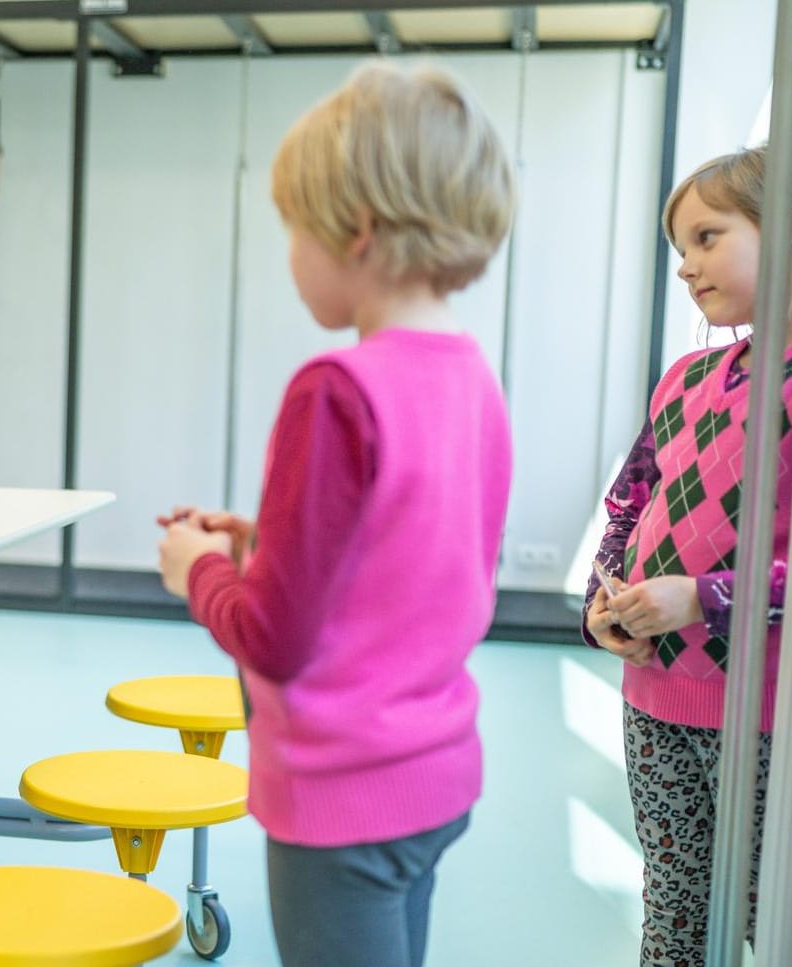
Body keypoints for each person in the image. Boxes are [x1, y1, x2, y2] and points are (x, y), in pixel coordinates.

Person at [156, 62, 515, 967]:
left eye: (292, 227)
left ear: (354, 230)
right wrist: (264, 539)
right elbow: (413, 555)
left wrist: (197, 568)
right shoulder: (471, 375)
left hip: (342, 801)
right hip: (437, 775)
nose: (288, 255)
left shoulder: (335, 391)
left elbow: (272, 636)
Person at [583, 138, 792, 967]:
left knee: (769, 912)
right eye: (679, 246)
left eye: (706, 238)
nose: (686, 266)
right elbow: (629, 506)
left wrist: (705, 597)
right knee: (676, 903)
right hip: (654, 695)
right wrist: (601, 606)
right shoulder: (684, 378)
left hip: (767, 713)